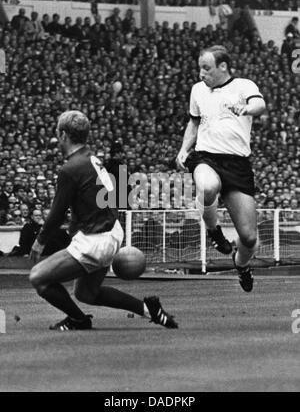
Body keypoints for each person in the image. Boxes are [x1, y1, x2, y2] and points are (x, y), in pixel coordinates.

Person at [29, 111, 178, 331]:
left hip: (94, 242)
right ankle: (150, 309)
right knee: (86, 293)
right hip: (111, 233)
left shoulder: (70, 169)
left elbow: (56, 213)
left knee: (38, 277)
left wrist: (39, 242)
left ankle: (79, 320)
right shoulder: (93, 158)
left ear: (62, 135)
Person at [176, 45, 266, 292]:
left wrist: (246, 109)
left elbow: (259, 105)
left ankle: (242, 265)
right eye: (199, 69)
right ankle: (213, 230)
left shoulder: (243, 86)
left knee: (249, 239)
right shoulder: (197, 90)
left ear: (223, 66)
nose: (201, 74)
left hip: (237, 164)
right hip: (207, 157)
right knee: (207, 186)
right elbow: (194, 122)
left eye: (206, 68)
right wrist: (184, 149)